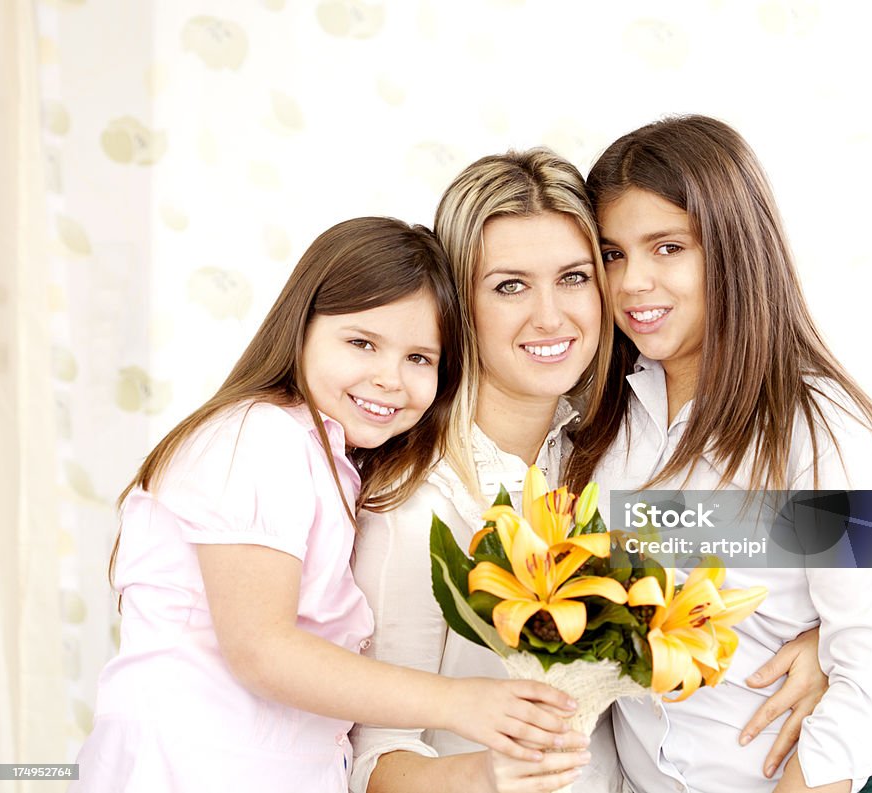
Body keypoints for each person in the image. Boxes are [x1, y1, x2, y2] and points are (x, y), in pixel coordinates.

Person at [350, 152, 827, 793]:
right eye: (509, 285)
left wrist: (837, 639)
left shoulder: (612, 447)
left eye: (574, 277)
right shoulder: (417, 501)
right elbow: (377, 761)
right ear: (458, 303)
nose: (550, 316)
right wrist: (492, 773)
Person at [71, 217, 578, 793]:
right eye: (362, 343)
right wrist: (461, 703)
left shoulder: (334, 459)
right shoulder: (257, 437)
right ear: (300, 328)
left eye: (420, 358)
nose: (390, 378)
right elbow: (263, 649)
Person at [563, 115, 872, 793]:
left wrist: (829, 650)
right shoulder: (599, 427)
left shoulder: (818, 426)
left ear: (732, 248)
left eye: (667, 247)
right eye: (612, 254)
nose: (633, 281)